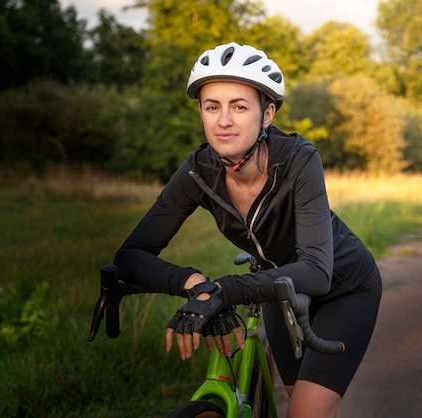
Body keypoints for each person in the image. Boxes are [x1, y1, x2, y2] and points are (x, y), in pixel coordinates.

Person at [113, 42, 382, 418]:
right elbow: (131, 255)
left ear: (267, 113)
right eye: (212, 107)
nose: (223, 120)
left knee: (306, 412)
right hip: (278, 287)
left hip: (344, 288)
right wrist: (197, 285)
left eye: (239, 106)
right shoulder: (197, 171)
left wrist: (224, 290)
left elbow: (317, 273)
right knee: (294, 399)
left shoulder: (298, 161)